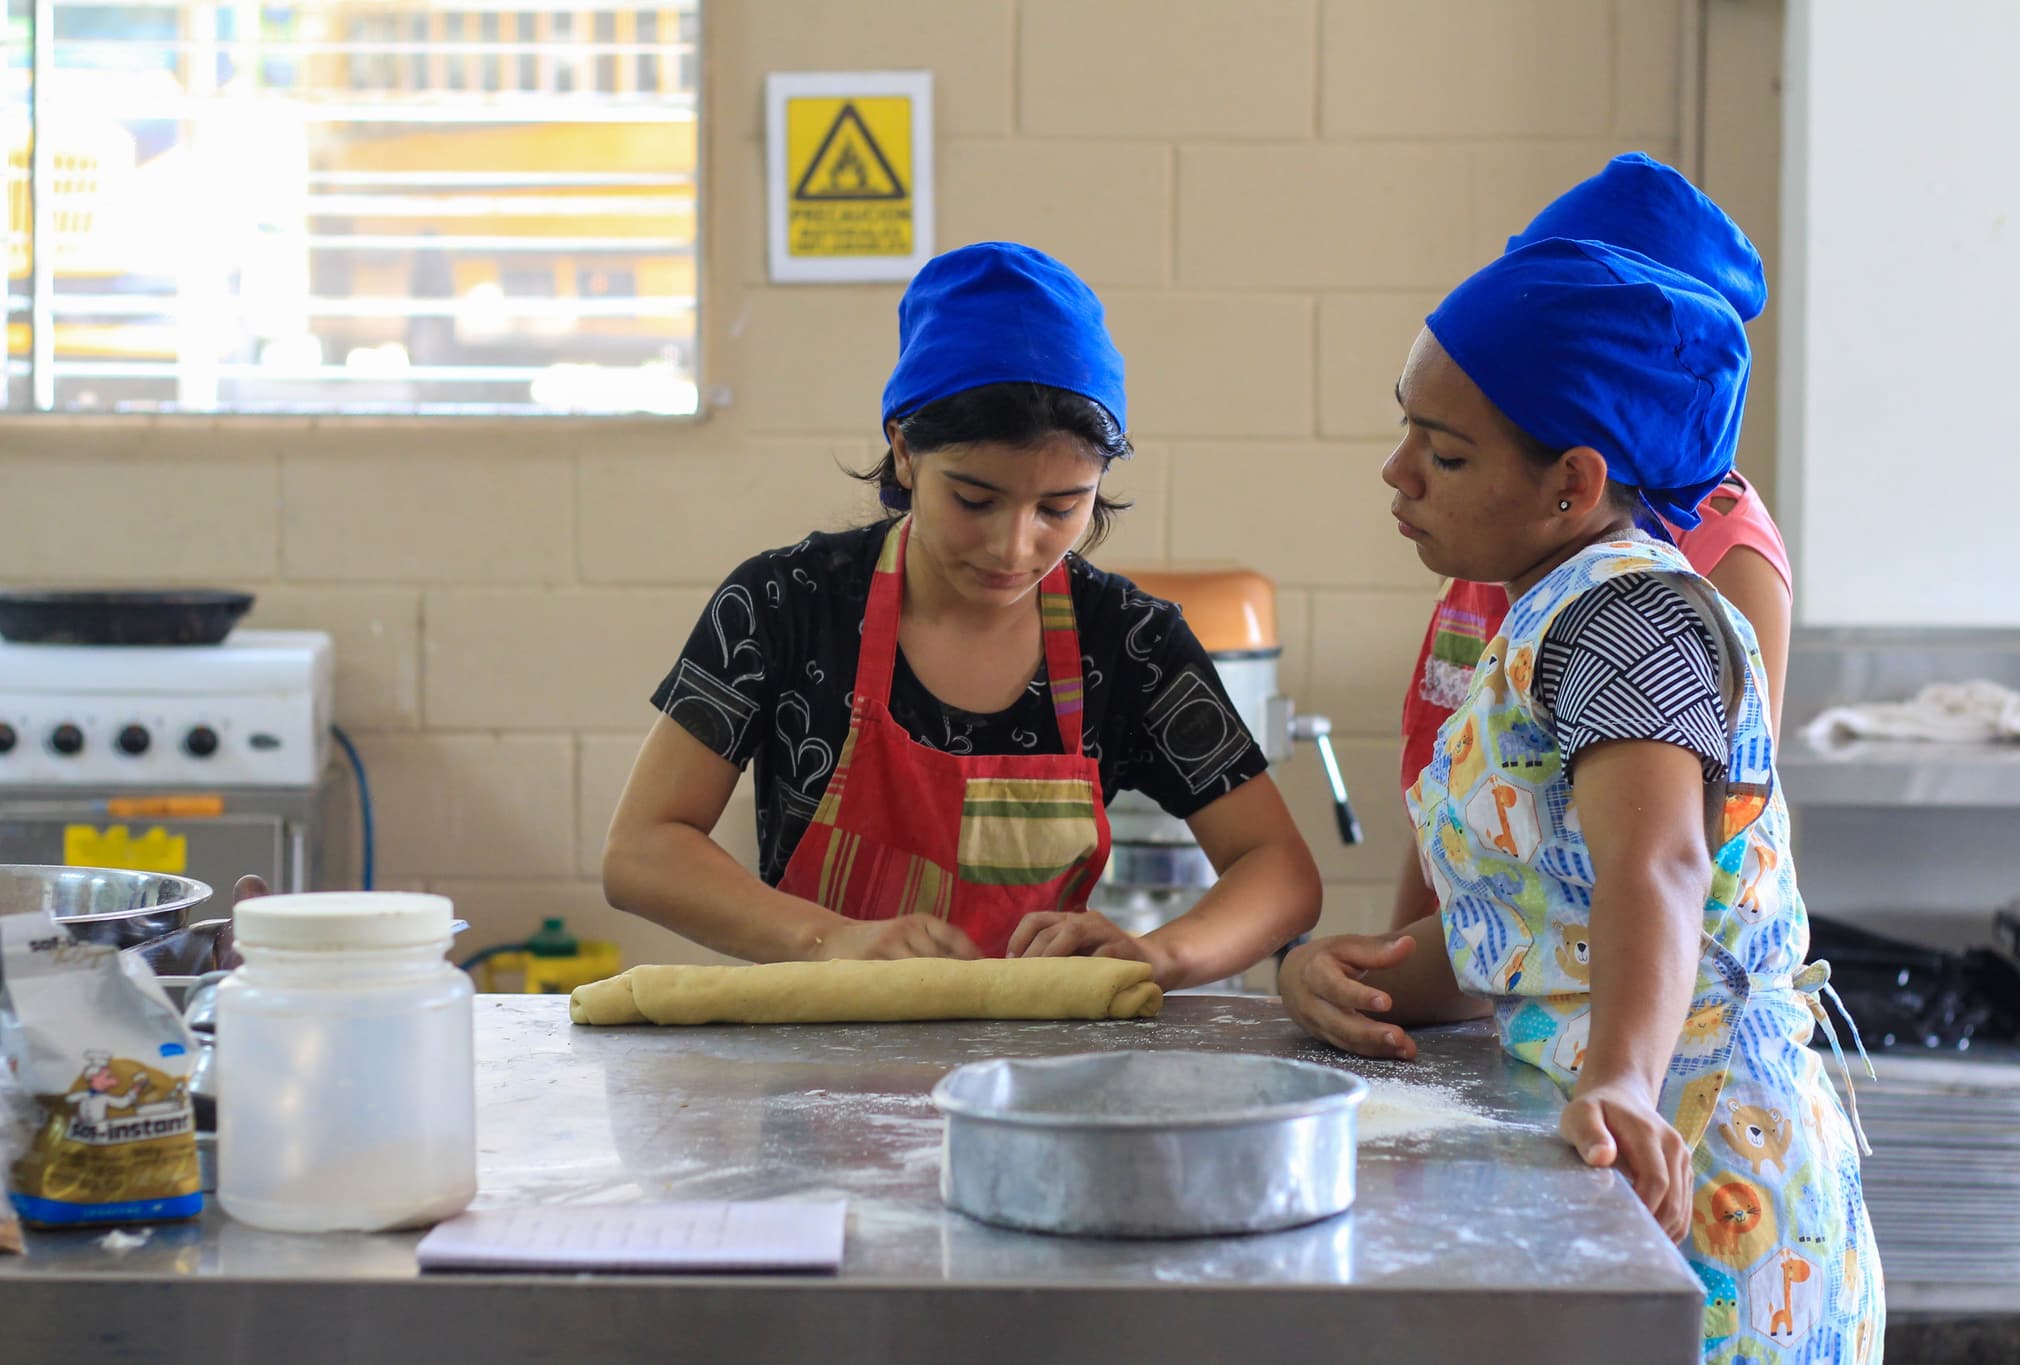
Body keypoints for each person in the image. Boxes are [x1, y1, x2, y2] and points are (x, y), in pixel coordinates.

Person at [1280, 239, 1884, 1362]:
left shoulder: (1627, 623)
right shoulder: (1544, 618)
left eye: (1444, 454)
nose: (1395, 473)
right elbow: (1540, 926)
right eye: (1406, 428)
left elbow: (1655, 867)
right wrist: (1349, 978)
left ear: (1572, 483)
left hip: (1705, 1174)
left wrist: (1618, 1080)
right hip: (1631, 1149)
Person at [601, 242, 1321, 989]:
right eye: (974, 499)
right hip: (818, 1073)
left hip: (1034, 1084)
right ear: (904, 450)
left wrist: (1159, 954)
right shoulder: (784, 604)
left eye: (1060, 506)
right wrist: (828, 939)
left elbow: (1279, 869)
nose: (1014, 546)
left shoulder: (1131, 643)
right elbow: (643, 850)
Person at [1393, 154, 1794, 937]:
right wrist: (1391, 971)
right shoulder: (1518, 538)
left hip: (1617, 1000)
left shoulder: (1663, 586)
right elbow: (1464, 777)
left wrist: (1623, 1064)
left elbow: (1677, 852)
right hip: (1493, 953)